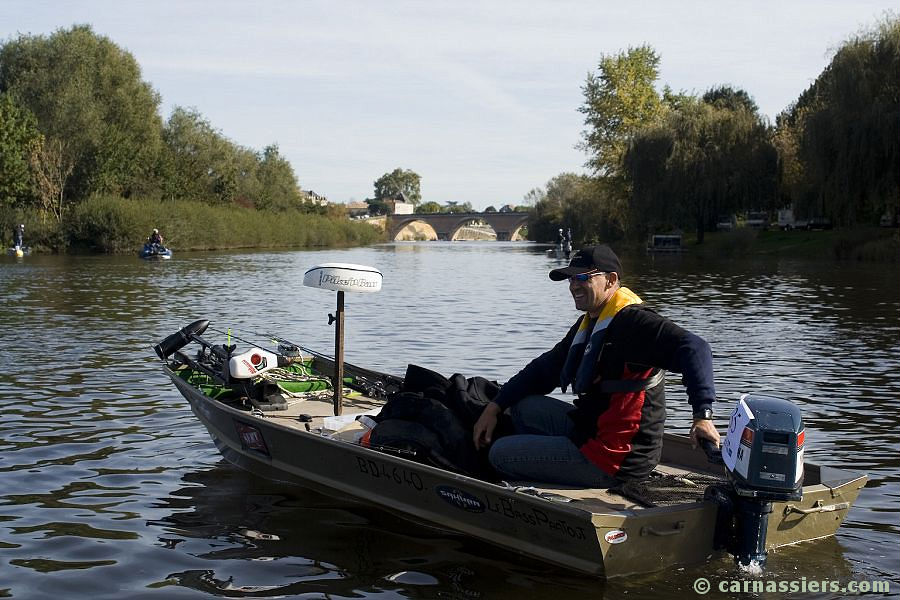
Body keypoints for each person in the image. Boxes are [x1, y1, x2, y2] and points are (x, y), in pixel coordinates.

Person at [472, 245, 720, 488]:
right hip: (590, 431)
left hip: (616, 458)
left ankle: (550, 480)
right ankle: (549, 458)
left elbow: (696, 348)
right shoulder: (592, 322)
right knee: (522, 407)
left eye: (582, 277)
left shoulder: (635, 323)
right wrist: (494, 406)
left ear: (611, 280)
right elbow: (545, 369)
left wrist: (703, 416)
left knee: (499, 454)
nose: (573, 286)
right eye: (570, 279)